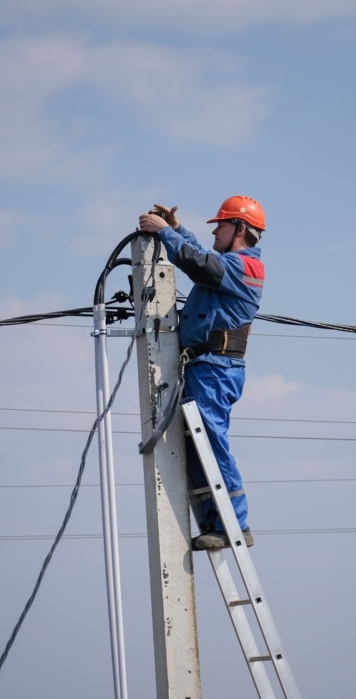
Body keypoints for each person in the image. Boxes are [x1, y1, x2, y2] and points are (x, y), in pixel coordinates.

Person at [138, 196, 266, 550]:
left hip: (217, 367)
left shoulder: (247, 267)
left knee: (209, 436)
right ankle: (214, 521)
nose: (215, 232)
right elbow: (204, 258)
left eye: (220, 225)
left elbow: (200, 264)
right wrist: (177, 231)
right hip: (203, 365)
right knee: (193, 441)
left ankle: (236, 523)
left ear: (239, 229)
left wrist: (165, 234)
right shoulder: (229, 263)